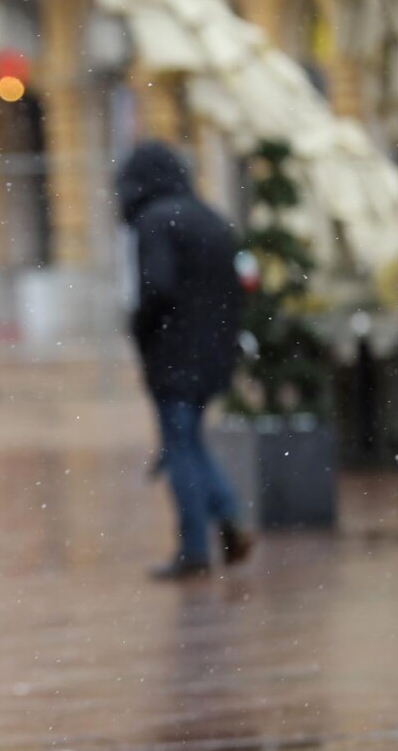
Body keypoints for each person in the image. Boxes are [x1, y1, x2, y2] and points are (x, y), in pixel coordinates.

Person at [116, 141, 254, 580]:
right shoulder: (210, 217)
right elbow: (236, 288)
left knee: (180, 448)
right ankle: (229, 520)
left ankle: (195, 548)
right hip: (213, 354)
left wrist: (139, 326)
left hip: (174, 355)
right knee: (189, 442)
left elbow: (156, 287)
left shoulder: (155, 222)